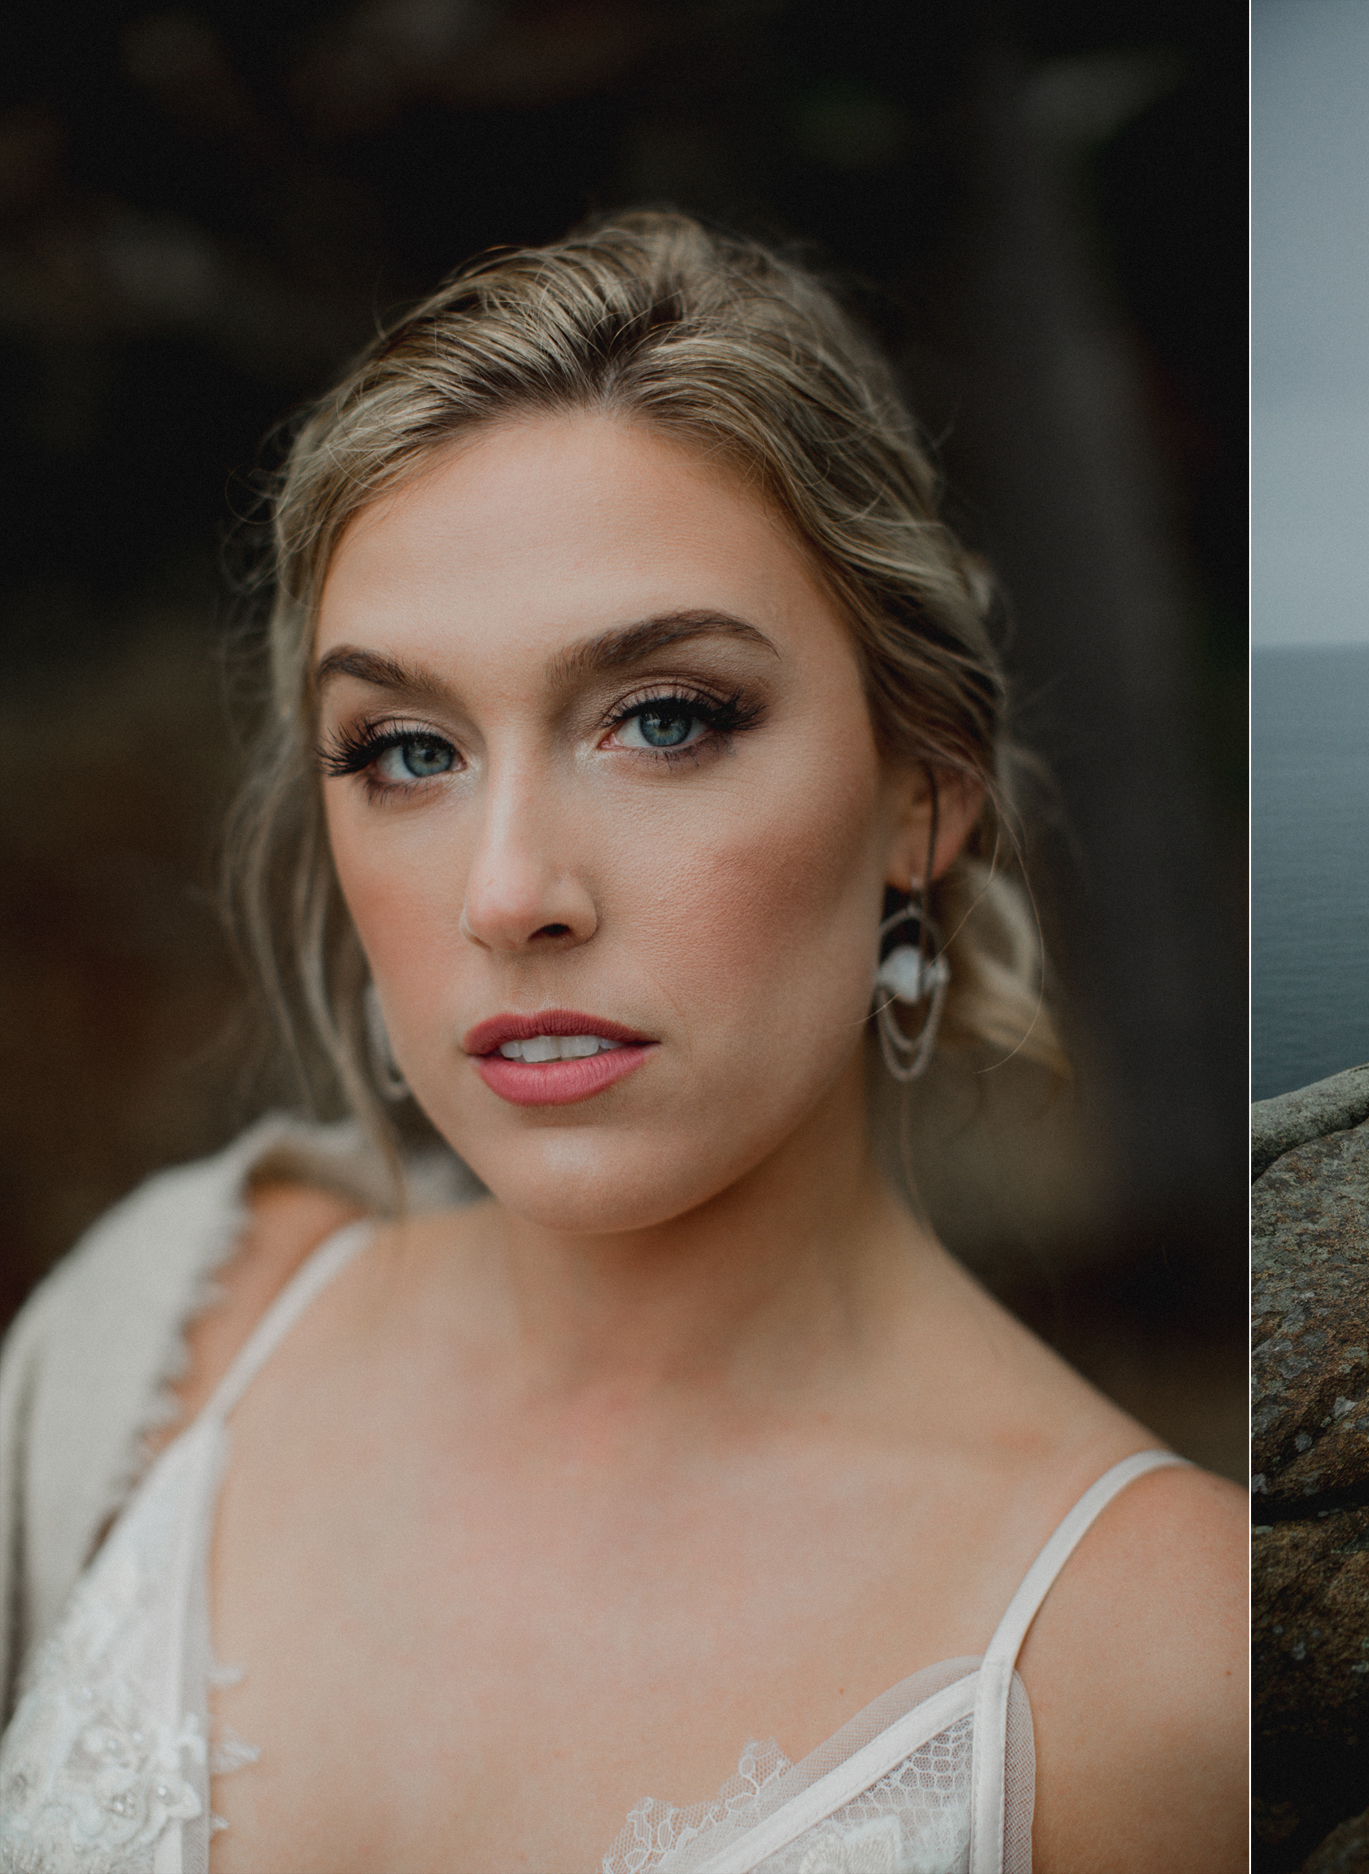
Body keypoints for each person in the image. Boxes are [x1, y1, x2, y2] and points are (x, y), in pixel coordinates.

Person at [0, 212, 1244, 1871]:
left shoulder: (1166, 1664)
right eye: (406, 748)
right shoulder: (163, 1335)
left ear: (923, 790)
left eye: (665, 718)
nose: (511, 892)